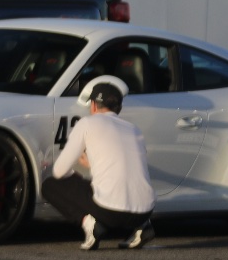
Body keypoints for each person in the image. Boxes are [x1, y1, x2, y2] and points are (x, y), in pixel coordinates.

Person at [41, 79, 156, 250]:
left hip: (110, 212)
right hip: (145, 211)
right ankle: (143, 227)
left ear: (94, 105)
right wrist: (92, 165)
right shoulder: (133, 129)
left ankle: (90, 224)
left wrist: (75, 174)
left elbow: (59, 171)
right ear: (119, 108)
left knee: (49, 185)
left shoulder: (87, 123)